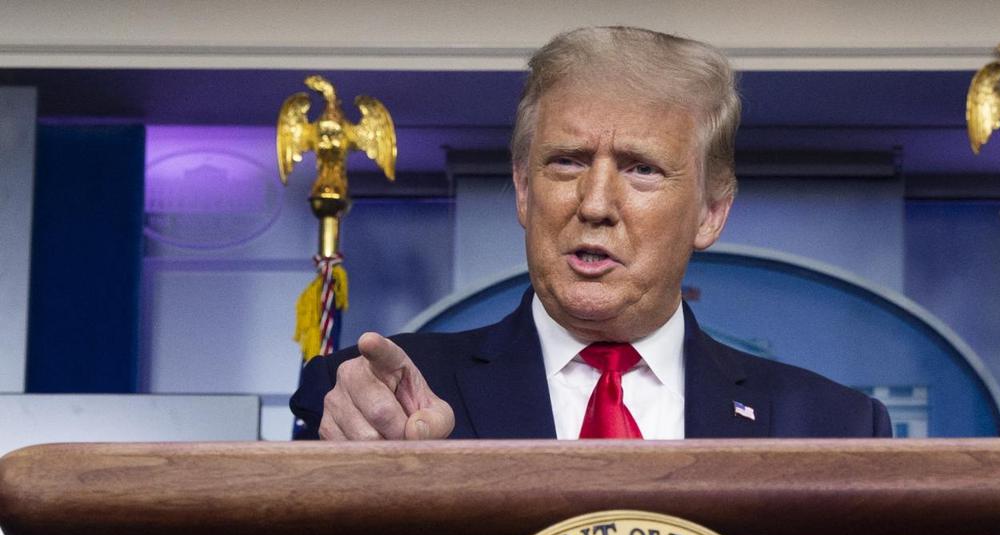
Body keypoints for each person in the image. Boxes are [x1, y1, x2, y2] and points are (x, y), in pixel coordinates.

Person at [290, 26, 891, 440]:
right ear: (524, 191)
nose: (596, 204)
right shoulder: (389, 398)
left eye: (642, 169)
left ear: (711, 212)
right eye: (568, 162)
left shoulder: (831, 425)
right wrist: (383, 468)